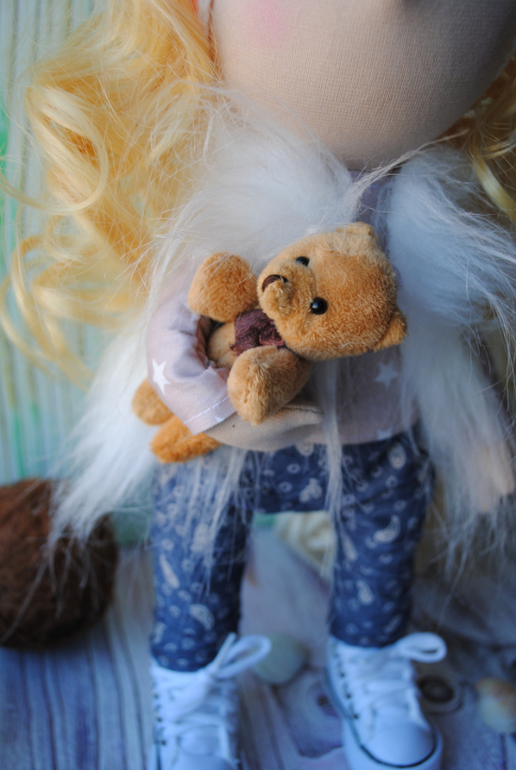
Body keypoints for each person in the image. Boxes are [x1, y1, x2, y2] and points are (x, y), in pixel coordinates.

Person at [3, 2, 516, 769]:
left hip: (384, 437)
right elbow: (173, 328)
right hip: (230, 448)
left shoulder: (432, 216)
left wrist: (476, 436)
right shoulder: (234, 197)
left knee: (382, 556)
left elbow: (443, 342)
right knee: (194, 556)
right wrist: (213, 409)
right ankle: (190, 686)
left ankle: (370, 660)